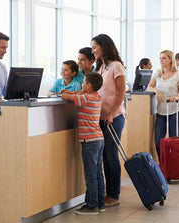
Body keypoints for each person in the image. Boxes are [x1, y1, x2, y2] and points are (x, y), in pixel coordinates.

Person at [61, 72, 105, 215]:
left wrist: (64, 93)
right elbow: (79, 93)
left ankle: (91, 206)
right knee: (98, 172)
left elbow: (67, 98)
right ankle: (100, 203)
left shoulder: (85, 98)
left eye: (84, 82)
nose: (82, 84)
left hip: (89, 141)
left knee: (90, 174)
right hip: (99, 139)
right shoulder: (96, 97)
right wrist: (74, 91)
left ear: (89, 85)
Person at [91, 34, 126, 207]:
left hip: (114, 117)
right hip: (101, 117)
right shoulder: (100, 67)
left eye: (95, 47)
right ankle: (108, 193)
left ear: (103, 47)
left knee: (111, 155)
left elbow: (121, 92)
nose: (93, 51)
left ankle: (114, 194)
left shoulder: (116, 66)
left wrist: (111, 113)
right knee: (104, 156)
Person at [147, 50, 179, 159]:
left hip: (175, 110)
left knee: (173, 140)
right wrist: (156, 91)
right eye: (160, 58)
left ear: (170, 60)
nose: (161, 60)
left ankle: (173, 164)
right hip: (161, 111)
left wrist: (176, 97)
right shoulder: (157, 73)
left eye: (164, 58)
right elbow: (149, 87)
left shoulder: (178, 74)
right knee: (158, 139)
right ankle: (163, 163)